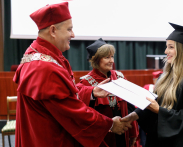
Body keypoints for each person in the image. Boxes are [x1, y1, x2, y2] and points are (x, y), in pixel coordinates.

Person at [13, 2, 131, 147]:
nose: (73, 35)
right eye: (69, 29)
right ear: (53, 30)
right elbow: (71, 112)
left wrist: (92, 92)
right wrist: (109, 124)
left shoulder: (37, 55)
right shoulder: (45, 68)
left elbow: (60, 98)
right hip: (51, 139)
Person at [121, 22, 183, 147]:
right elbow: (154, 102)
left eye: (171, 47)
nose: (166, 51)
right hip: (158, 140)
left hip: (179, 142)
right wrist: (135, 115)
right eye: (166, 46)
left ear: (182, 50)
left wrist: (159, 110)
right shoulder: (165, 76)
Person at [76, 38, 140, 147]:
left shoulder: (120, 77)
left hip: (123, 133)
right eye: (107, 57)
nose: (111, 61)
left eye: (112, 56)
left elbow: (130, 107)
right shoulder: (86, 81)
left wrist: (133, 133)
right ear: (96, 60)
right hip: (103, 136)